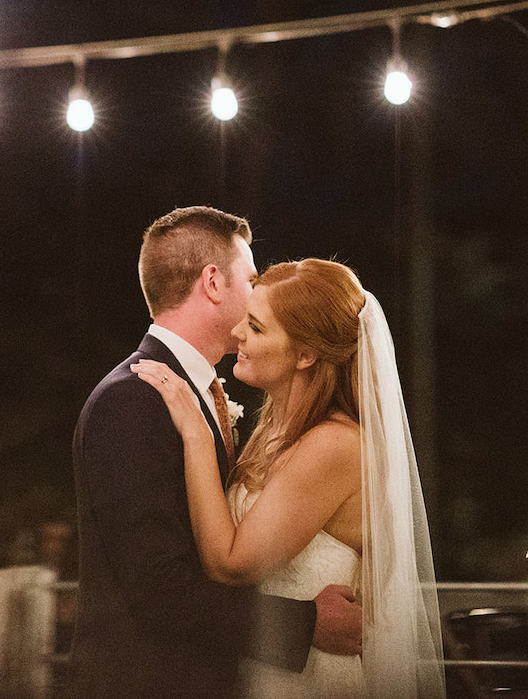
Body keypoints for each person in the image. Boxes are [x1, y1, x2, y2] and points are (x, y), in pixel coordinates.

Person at [71, 208, 362, 699]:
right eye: (250, 279)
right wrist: (306, 623)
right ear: (212, 282)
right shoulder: (135, 398)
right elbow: (159, 587)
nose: (258, 295)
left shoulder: (199, 395)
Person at [132, 258, 445, 699]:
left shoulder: (333, 445)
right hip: (264, 670)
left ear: (305, 354)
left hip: (313, 680)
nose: (238, 333)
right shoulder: (273, 432)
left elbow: (230, 564)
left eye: (257, 328)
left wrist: (196, 435)